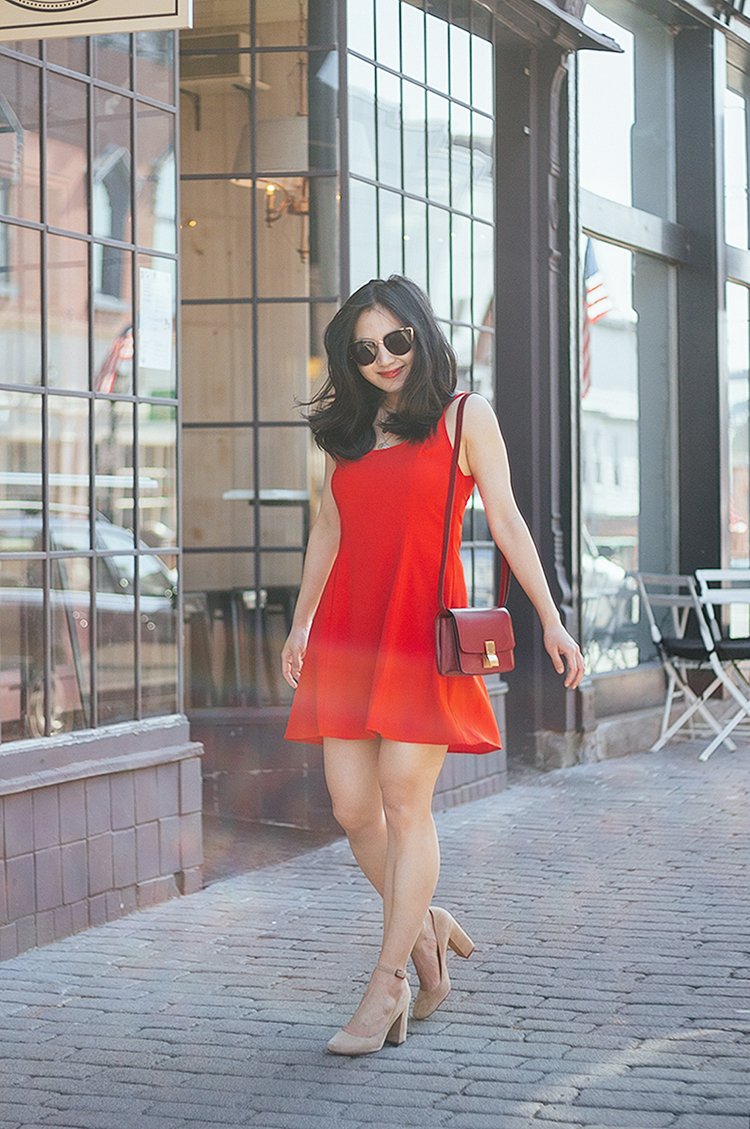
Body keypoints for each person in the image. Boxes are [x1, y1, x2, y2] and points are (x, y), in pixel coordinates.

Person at [281, 275, 584, 1056]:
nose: (382, 357)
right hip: (349, 633)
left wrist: (551, 619)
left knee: (402, 801)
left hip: (423, 633)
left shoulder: (463, 416)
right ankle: (428, 922)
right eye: (365, 348)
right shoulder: (347, 428)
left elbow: (511, 521)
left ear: (421, 333)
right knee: (353, 809)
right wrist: (302, 621)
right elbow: (327, 530)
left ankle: (389, 985)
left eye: (395, 340)